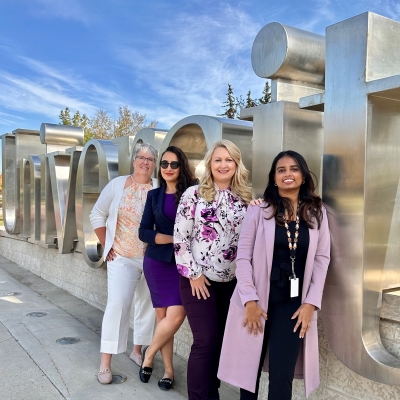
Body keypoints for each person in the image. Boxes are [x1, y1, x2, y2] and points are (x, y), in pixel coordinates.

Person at [218, 150, 330, 399]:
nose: (287, 174)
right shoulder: (259, 210)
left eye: (293, 168)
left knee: (282, 377)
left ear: (303, 175)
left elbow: (323, 259)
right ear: (273, 178)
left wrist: (311, 302)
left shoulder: (316, 213)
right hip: (257, 297)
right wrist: (249, 299)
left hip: (293, 302)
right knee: (248, 374)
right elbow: (243, 257)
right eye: (281, 170)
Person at [174, 139, 252, 400]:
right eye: (218, 159)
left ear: (237, 164)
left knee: (220, 343)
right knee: (205, 341)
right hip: (199, 281)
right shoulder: (193, 195)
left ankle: (212, 394)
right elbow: (180, 239)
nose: (223, 164)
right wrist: (194, 275)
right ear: (209, 164)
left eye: (229, 159)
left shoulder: (245, 198)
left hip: (232, 283)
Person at [89, 143, 158, 384]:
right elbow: (97, 213)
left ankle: (137, 351)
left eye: (150, 158)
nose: (145, 162)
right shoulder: (117, 184)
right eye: (141, 157)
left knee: (147, 305)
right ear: (133, 160)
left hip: (151, 258)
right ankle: (105, 362)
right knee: (118, 304)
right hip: (122, 256)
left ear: (154, 163)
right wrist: (107, 244)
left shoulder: (158, 187)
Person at [138, 146, 197, 390]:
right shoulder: (154, 196)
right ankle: (169, 370)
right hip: (157, 263)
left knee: (175, 317)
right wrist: (175, 238)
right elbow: (144, 232)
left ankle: (149, 355)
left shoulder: (193, 192)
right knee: (164, 320)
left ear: (181, 166)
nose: (168, 168)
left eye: (174, 164)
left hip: (184, 265)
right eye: (164, 164)